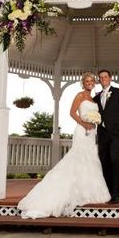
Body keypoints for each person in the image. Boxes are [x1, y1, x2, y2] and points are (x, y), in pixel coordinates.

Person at [17, 72, 110, 219]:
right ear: (83, 83)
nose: (90, 82)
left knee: (90, 159)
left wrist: (94, 122)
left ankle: (86, 189)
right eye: (87, 81)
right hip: (82, 131)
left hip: (92, 133)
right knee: (78, 157)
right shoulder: (80, 96)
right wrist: (84, 124)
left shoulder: (93, 98)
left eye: (92, 80)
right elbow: (72, 113)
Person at [93, 69, 119, 204]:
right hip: (102, 135)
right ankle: (108, 192)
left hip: (116, 133)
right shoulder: (96, 98)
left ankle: (116, 194)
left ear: (110, 78)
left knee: (115, 161)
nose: (103, 79)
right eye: (101, 77)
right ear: (99, 80)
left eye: (105, 76)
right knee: (105, 162)